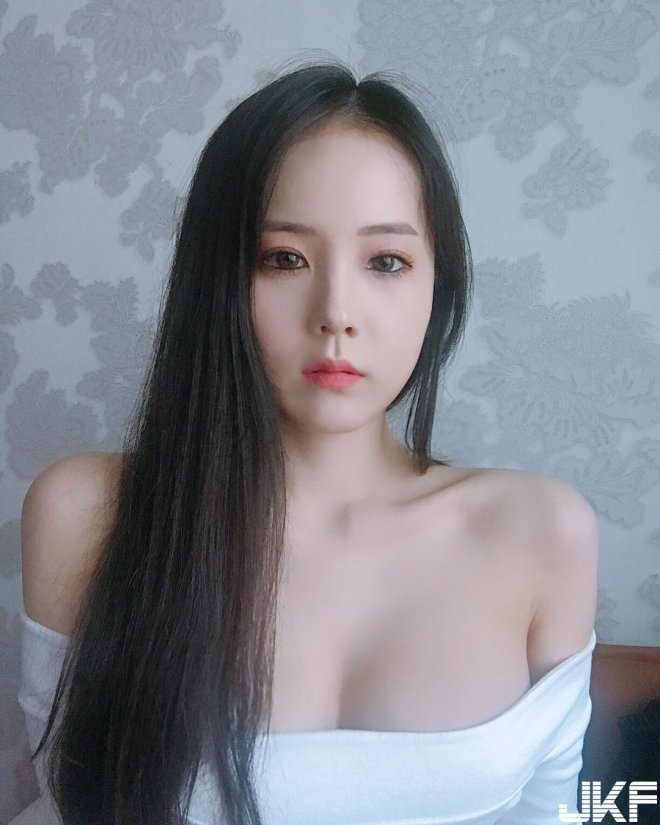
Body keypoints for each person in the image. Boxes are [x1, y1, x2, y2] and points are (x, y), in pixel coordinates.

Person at [15, 59, 598, 825]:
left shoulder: (541, 530)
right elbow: (71, 800)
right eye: (284, 258)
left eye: (386, 261)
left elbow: (555, 809)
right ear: (217, 279)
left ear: (438, 285)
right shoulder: (88, 514)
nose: (336, 312)